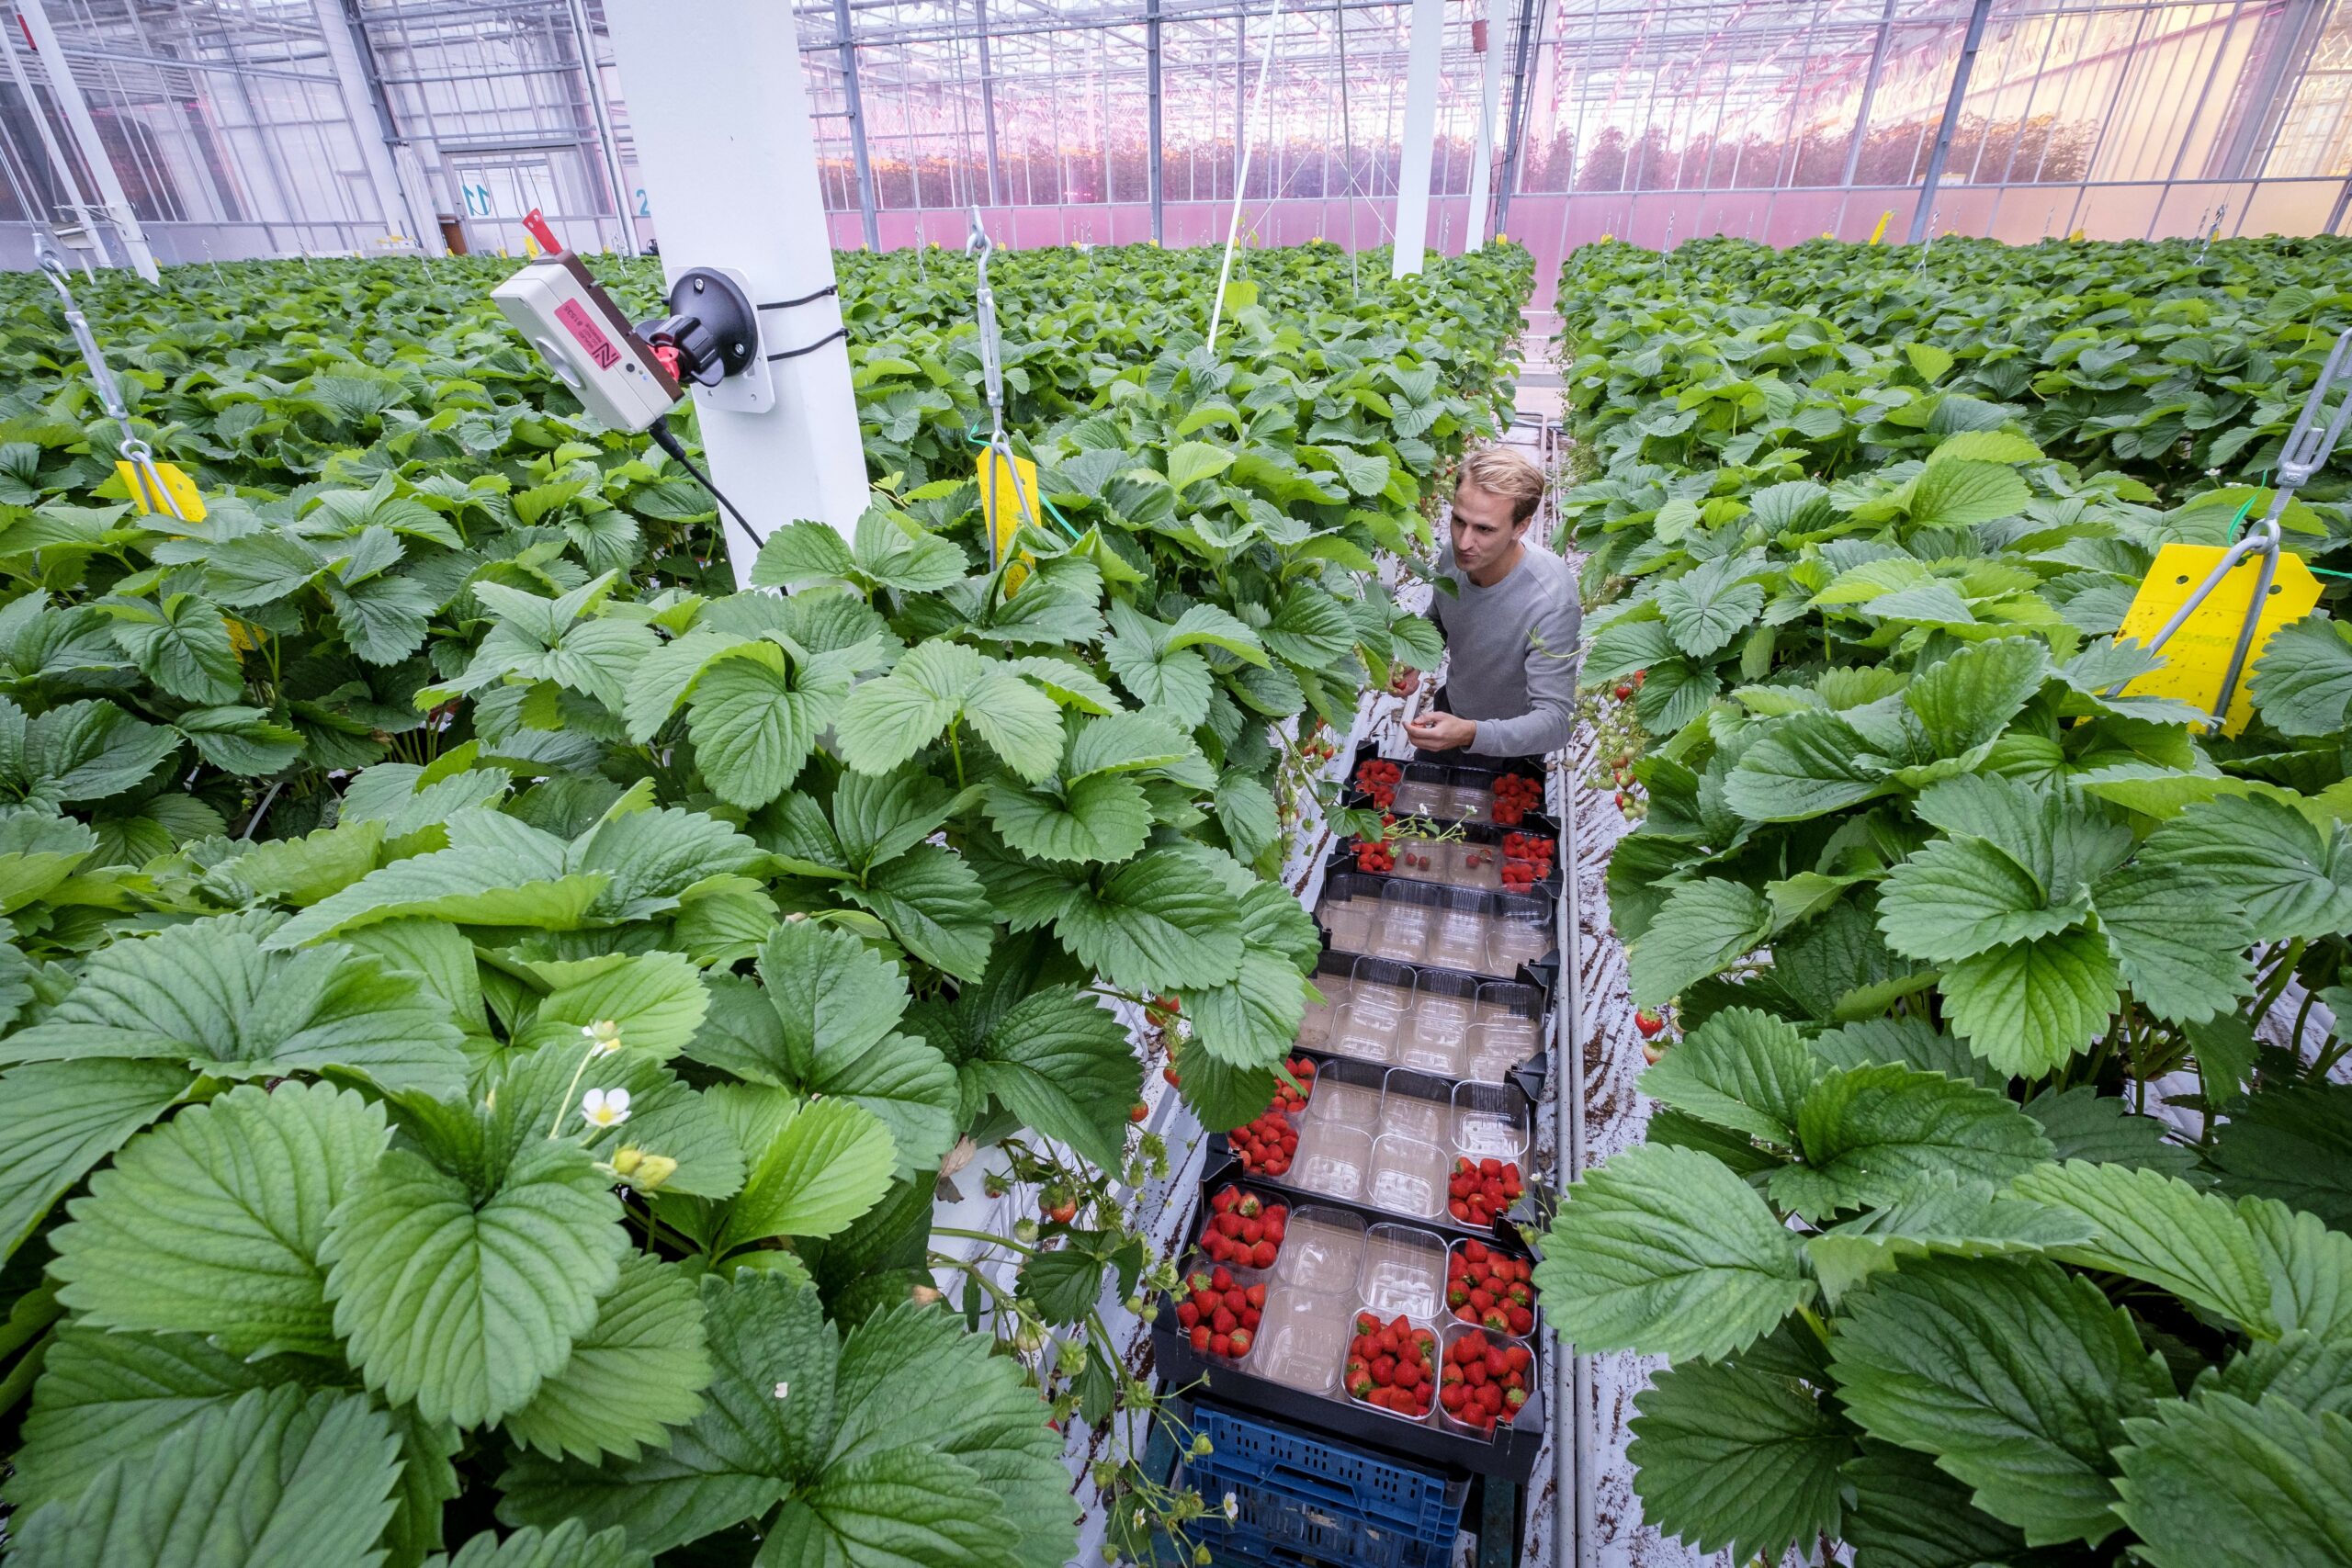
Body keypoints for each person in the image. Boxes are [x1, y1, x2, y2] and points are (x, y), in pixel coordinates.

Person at [1403, 446, 1579, 765]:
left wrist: (1471, 733)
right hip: (1453, 709)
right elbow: (1439, 618)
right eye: (1458, 521)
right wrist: (1416, 653)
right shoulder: (1453, 556)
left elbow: (1556, 722)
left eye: (1484, 529)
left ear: (1521, 527)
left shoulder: (1551, 601)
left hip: (1513, 746)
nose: (1464, 542)